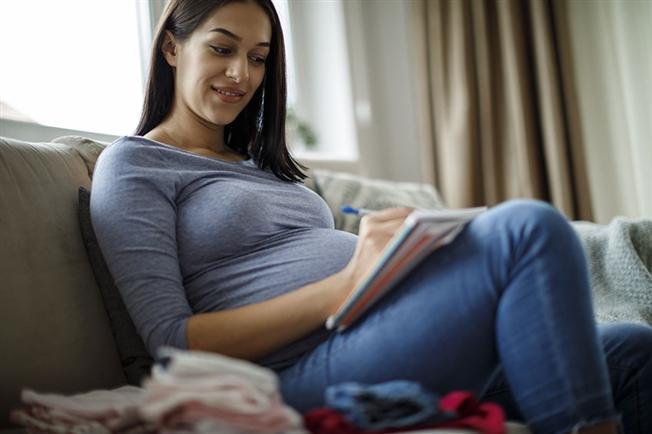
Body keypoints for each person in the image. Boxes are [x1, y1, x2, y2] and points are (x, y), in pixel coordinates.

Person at [89, 1, 652, 433]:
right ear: (171, 48)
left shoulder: (264, 167)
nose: (241, 74)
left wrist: (400, 253)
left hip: (380, 332)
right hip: (292, 373)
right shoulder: (133, 166)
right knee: (528, 229)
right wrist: (348, 281)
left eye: (258, 58)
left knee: (633, 349)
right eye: (221, 48)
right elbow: (171, 342)